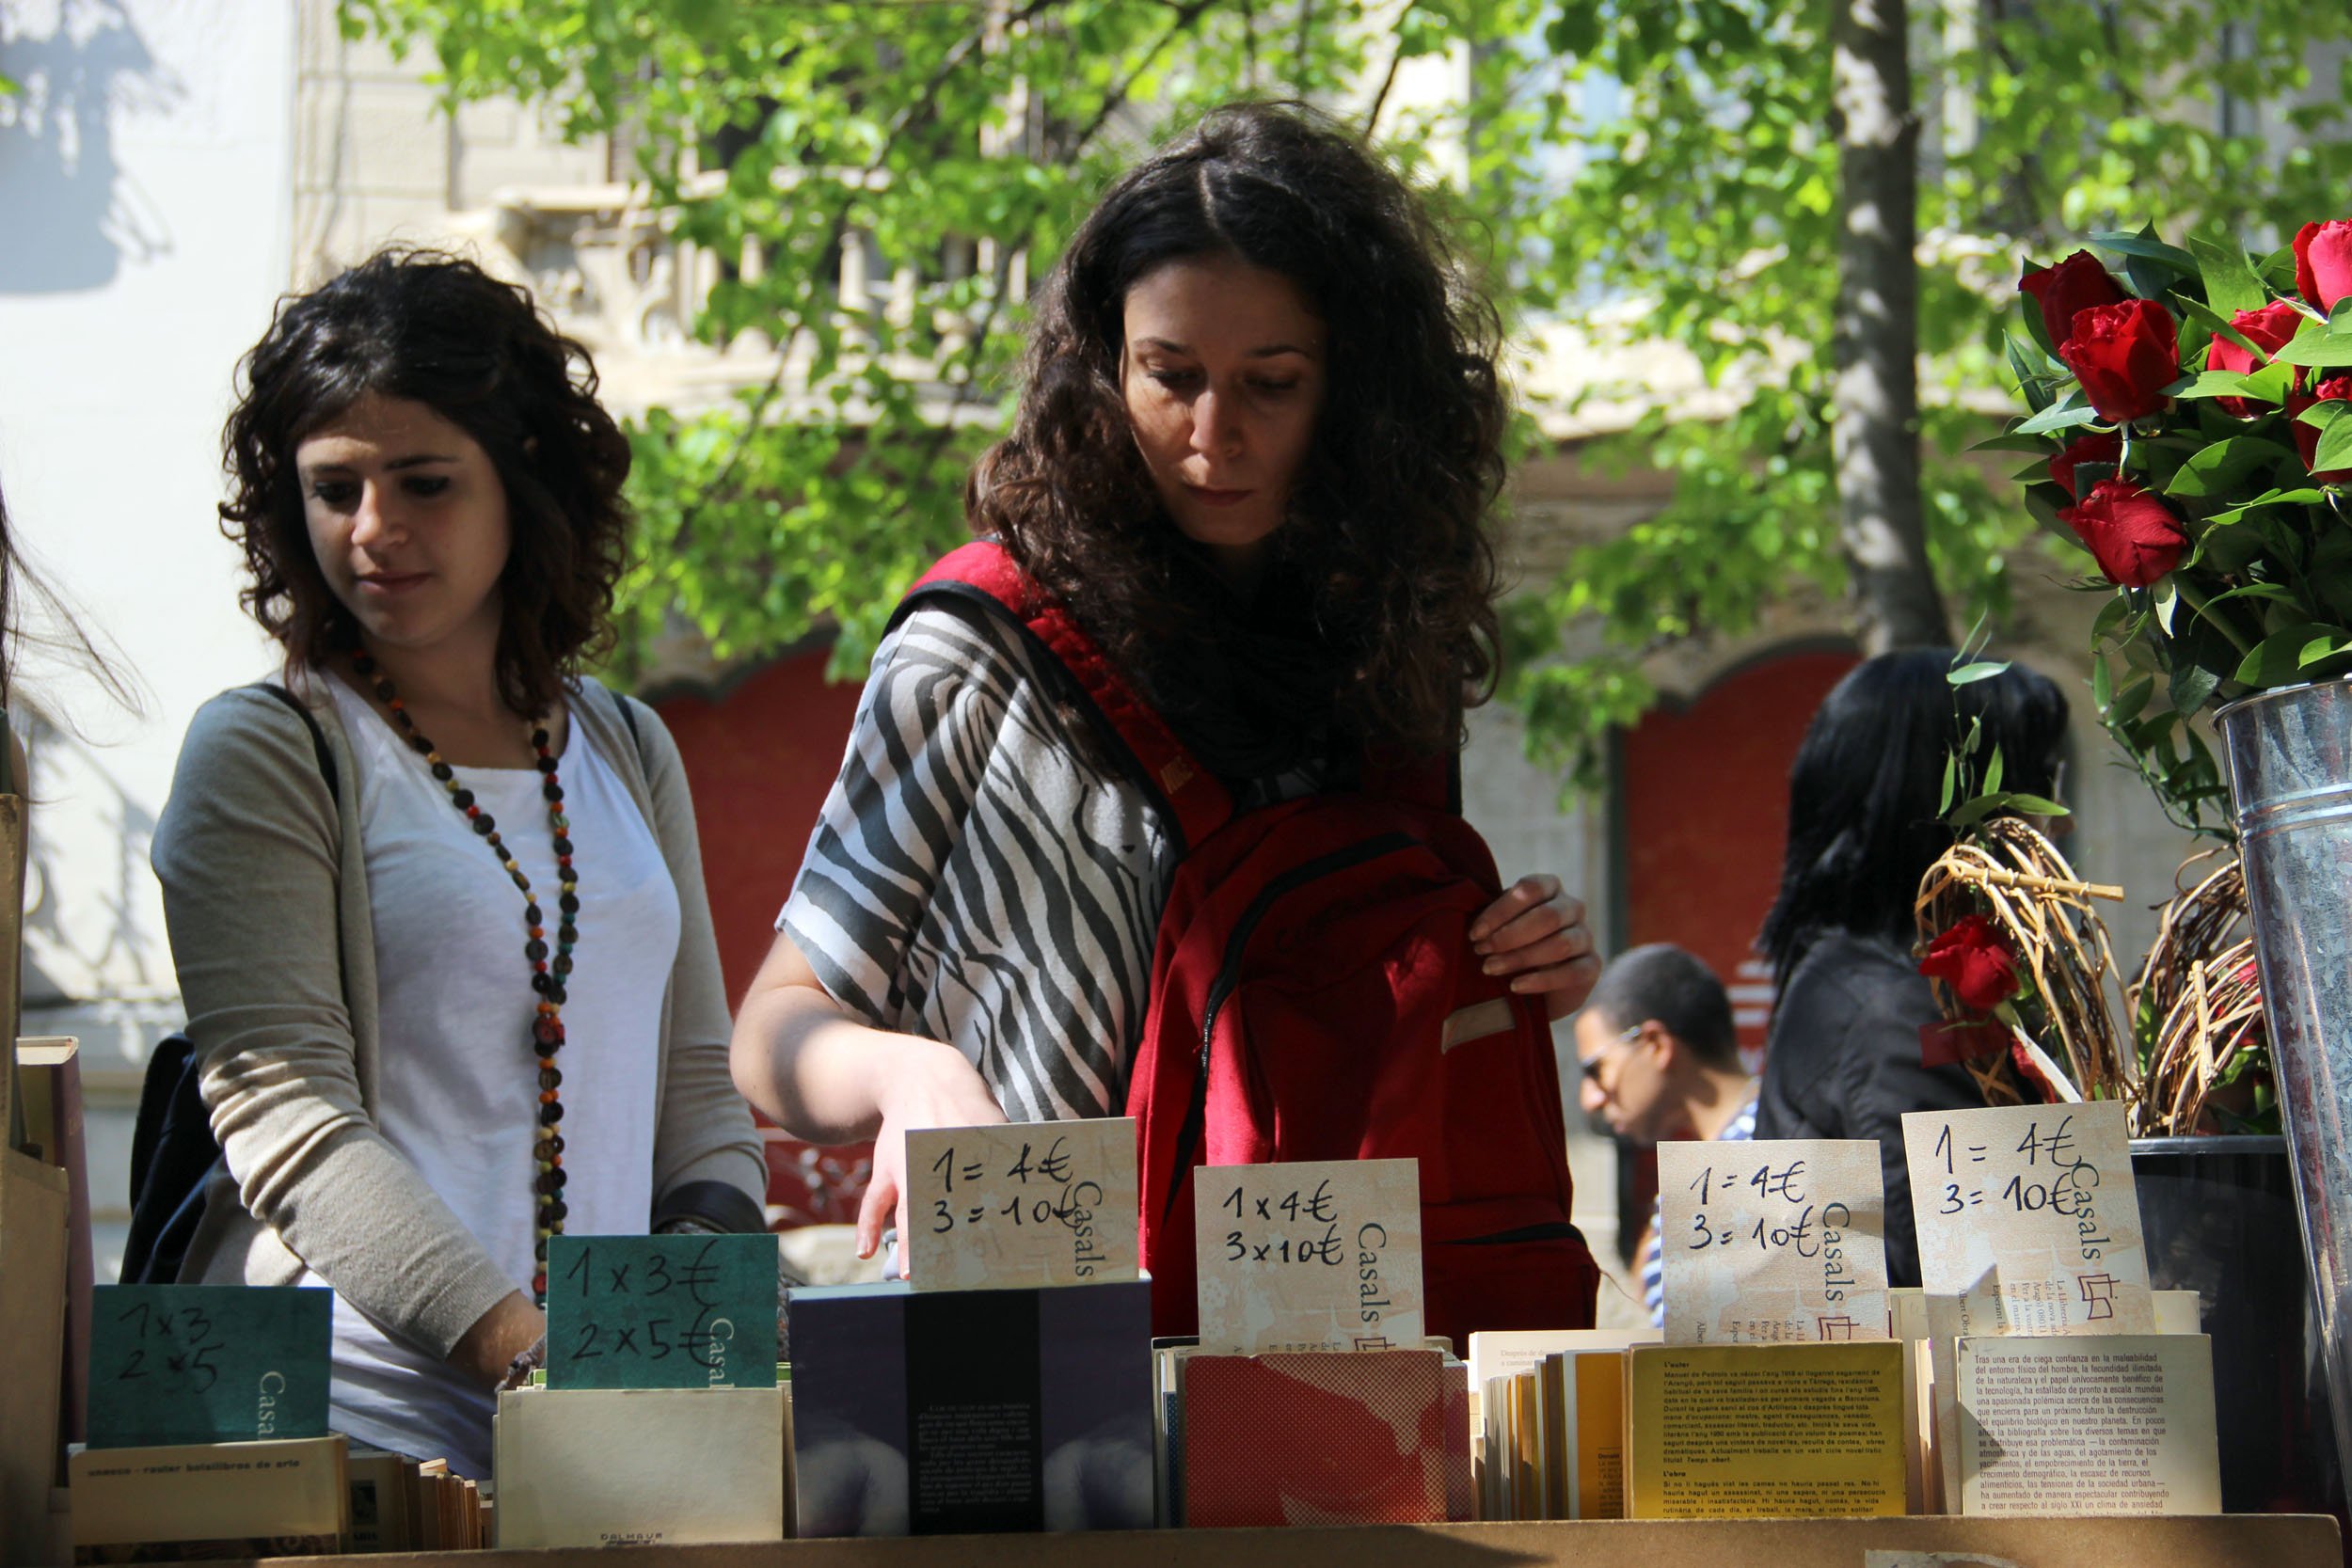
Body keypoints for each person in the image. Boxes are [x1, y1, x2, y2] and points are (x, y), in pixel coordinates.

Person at [730, 103, 1601, 1272]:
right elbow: (774, 1028)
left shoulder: (1386, 645)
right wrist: (904, 1070)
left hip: (1317, 1342)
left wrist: (1516, 951)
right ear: (1101, 368)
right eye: (1169, 374)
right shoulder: (977, 644)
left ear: (1354, 393)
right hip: (1028, 1337)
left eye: (1272, 383)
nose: (1213, 432)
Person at [150, 249, 765, 1477]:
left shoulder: (627, 743)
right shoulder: (270, 749)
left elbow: (696, 1084)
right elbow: (289, 1117)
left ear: (522, 480)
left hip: (601, 1434)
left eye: (424, 482)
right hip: (334, 1433)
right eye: (332, 489)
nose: (373, 531)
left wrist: (696, 1322)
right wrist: (535, 1356)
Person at [1754, 650, 2069, 1289]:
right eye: (2036, 787)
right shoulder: (1896, 1009)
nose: (2049, 827)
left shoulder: (1865, 980)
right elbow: (1974, 1281)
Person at [1572, 944, 1756, 1327]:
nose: (1589, 1098)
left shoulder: (1753, 1162)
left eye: (1597, 1069)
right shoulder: (1735, 1157)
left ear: (1655, 1045)